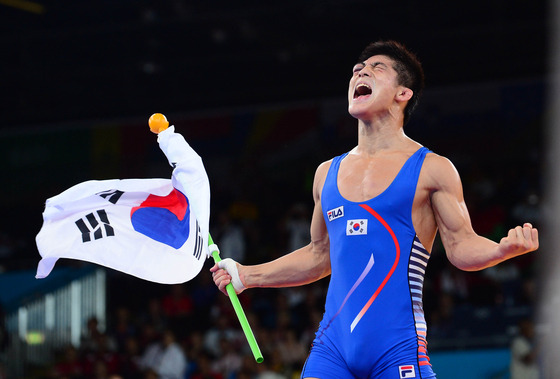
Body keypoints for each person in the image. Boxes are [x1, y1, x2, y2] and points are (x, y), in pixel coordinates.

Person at [210, 40, 539, 379]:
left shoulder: (432, 169)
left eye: (376, 68)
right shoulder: (326, 173)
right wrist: (247, 275)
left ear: (403, 93)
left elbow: (461, 246)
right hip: (331, 350)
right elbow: (319, 255)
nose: (361, 72)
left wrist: (501, 249)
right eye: (357, 70)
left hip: (397, 348)